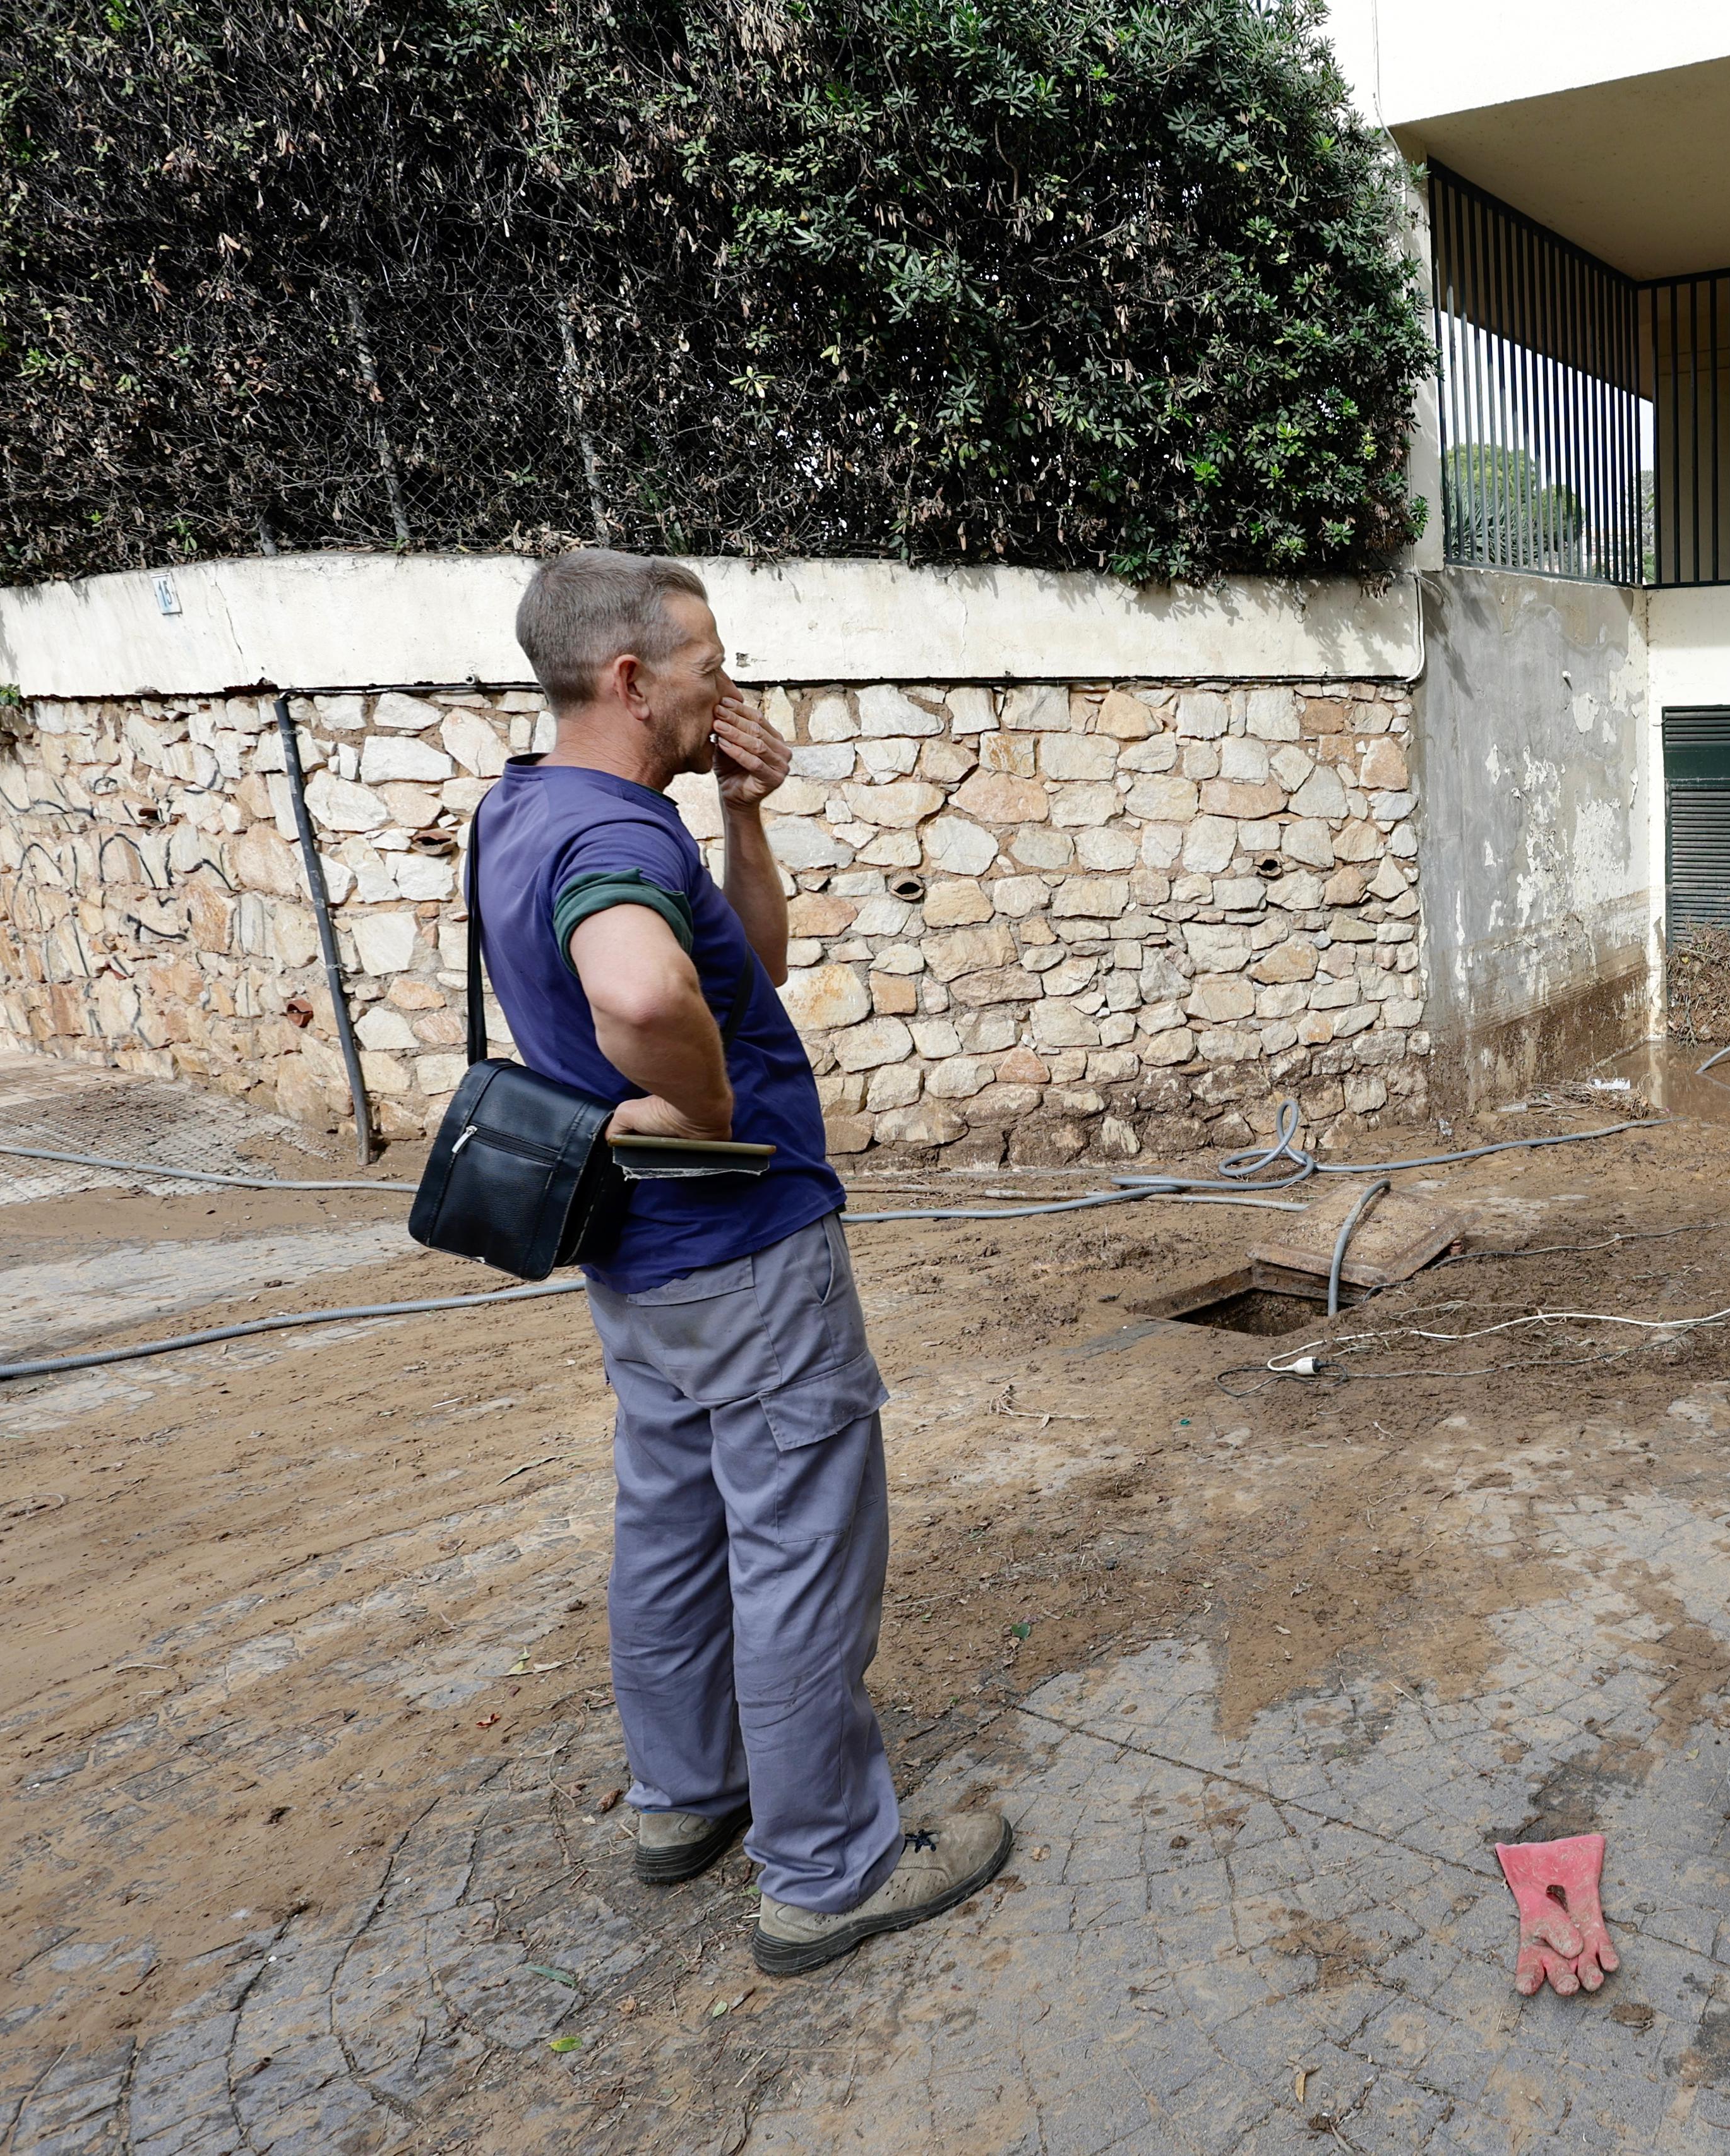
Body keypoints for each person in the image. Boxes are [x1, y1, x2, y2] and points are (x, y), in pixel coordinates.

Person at [477, 547, 1009, 1976]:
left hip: (636, 1256)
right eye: (709, 663)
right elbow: (644, 990)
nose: (733, 683)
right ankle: (828, 1867)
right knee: (796, 1541)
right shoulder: (614, 845)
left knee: (671, 1520)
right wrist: (706, 1117)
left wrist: (743, 813)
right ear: (630, 676)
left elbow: (739, 970)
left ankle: (686, 1794)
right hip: (739, 1242)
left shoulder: (528, 808)